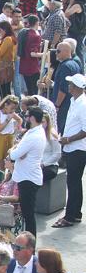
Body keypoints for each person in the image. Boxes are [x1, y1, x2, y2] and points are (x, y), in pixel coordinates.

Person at [9, 106, 46, 235]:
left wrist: (14, 151)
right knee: (27, 214)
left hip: (28, 179)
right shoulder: (34, 131)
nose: (25, 118)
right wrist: (17, 150)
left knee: (28, 215)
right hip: (27, 177)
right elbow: (18, 150)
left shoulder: (34, 136)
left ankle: (30, 246)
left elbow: (13, 155)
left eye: (27, 116)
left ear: (33, 118)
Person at [55, 73, 86, 229]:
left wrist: (68, 139)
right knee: (74, 182)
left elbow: (85, 130)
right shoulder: (74, 101)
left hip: (78, 149)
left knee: (73, 182)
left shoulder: (83, 104)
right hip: (72, 147)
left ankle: (70, 217)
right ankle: (75, 214)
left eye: (71, 84)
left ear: (76, 87)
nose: (68, 86)